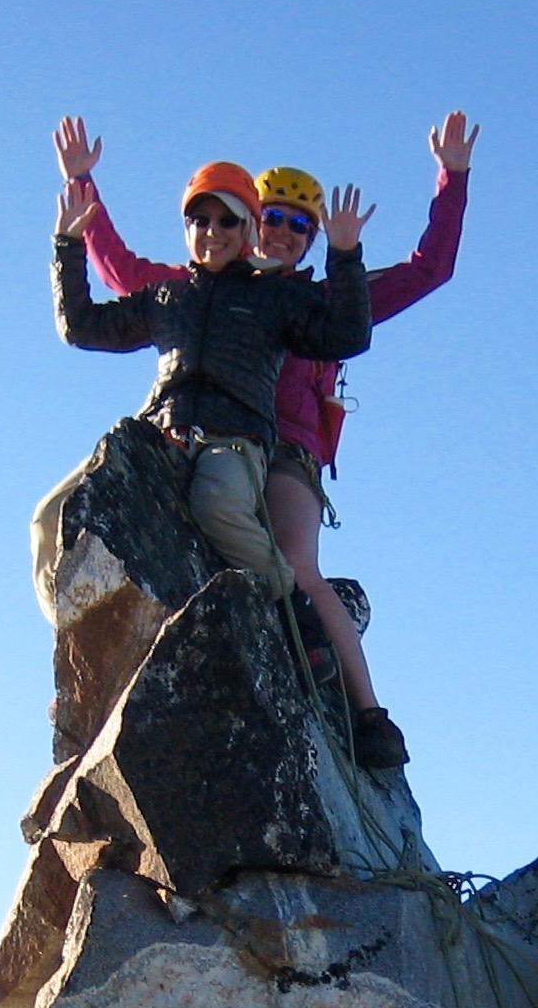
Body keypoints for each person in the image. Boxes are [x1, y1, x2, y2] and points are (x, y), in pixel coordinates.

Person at [57, 113, 474, 747]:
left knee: (299, 567)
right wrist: (84, 186)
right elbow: (116, 271)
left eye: (299, 224)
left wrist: (453, 177)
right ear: (252, 220)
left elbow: (427, 271)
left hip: (284, 454)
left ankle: (367, 715)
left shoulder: (322, 299)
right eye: (272, 216)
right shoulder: (195, 290)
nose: (282, 231)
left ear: (313, 239)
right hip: (196, 431)